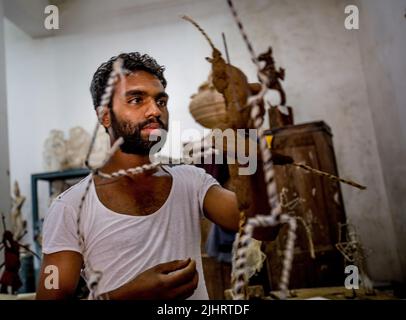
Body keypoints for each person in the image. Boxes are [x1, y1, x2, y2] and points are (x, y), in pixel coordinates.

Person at [35, 52, 245, 300]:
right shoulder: (70, 208)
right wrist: (130, 296)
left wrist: (251, 142)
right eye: (136, 100)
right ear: (104, 115)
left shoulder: (192, 182)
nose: (154, 111)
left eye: (161, 101)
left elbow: (262, 226)